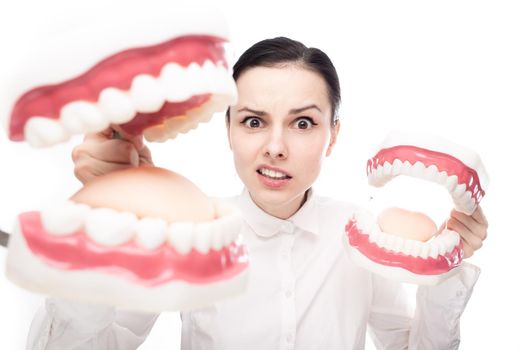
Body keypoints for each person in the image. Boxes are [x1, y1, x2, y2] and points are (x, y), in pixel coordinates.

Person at [26, 37, 488, 350]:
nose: (276, 147)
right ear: (227, 129)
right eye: (253, 121)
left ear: (333, 136)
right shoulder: (186, 230)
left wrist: (443, 266)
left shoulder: (361, 236)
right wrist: (101, 227)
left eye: (303, 123)